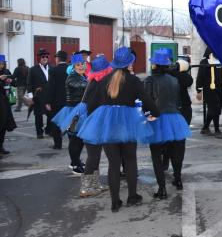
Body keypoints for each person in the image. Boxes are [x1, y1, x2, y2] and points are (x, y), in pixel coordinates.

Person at [77, 47, 160, 212]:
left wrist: (96, 121)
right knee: (130, 160)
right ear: (130, 62)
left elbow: (93, 104)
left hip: (108, 124)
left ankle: (115, 202)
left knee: (113, 164)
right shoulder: (134, 80)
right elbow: (147, 100)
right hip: (128, 123)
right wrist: (154, 113)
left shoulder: (104, 80)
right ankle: (132, 196)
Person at [144, 49, 191, 199]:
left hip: (158, 119)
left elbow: (148, 102)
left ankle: (162, 189)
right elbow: (177, 100)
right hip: (175, 118)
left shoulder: (150, 80)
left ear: (155, 65)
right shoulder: (174, 80)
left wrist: (147, 116)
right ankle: (177, 179)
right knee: (176, 153)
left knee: (156, 155)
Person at [79, 55, 112, 198]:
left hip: (92, 123)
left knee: (96, 155)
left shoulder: (92, 83)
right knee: (93, 156)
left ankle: (95, 184)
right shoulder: (100, 85)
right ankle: (86, 187)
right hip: (95, 124)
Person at [52, 53, 88, 173]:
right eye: (78, 65)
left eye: (82, 64)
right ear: (73, 66)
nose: (81, 66)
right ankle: (74, 164)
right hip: (73, 111)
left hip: (82, 110)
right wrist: (95, 82)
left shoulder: (84, 76)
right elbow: (81, 86)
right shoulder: (72, 77)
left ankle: (76, 160)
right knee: (74, 139)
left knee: (81, 138)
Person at [196, 47, 222, 138]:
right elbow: (200, 77)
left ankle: (205, 128)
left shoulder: (221, 61)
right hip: (209, 90)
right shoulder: (205, 62)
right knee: (215, 109)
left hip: (220, 89)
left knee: (213, 109)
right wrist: (199, 91)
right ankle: (217, 130)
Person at [45, 51, 69, 151]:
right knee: (71, 122)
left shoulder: (53, 70)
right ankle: (74, 144)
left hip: (57, 101)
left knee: (56, 122)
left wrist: (48, 101)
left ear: (58, 59)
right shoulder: (71, 69)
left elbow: (51, 87)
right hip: (70, 100)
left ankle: (58, 144)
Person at [27, 48, 51, 139]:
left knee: (50, 114)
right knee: (38, 115)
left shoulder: (52, 68)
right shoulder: (33, 69)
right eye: (43, 56)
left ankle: (48, 129)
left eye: (46, 56)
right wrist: (30, 96)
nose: (45, 58)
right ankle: (39, 132)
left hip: (49, 95)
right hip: (39, 96)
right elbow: (29, 83)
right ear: (39, 58)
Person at [0, 55, 16, 155]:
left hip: (5, 100)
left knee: (4, 123)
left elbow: (14, 82)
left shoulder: (6, 72)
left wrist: (10, 80)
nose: (1, 66)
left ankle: (1, 146)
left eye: (2, 64)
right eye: (0, 64)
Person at [173, 57, 194, 126]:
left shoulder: (172, 75)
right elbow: (189, 81)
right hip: (183, 104)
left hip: (175, 104)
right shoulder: (184, 77)